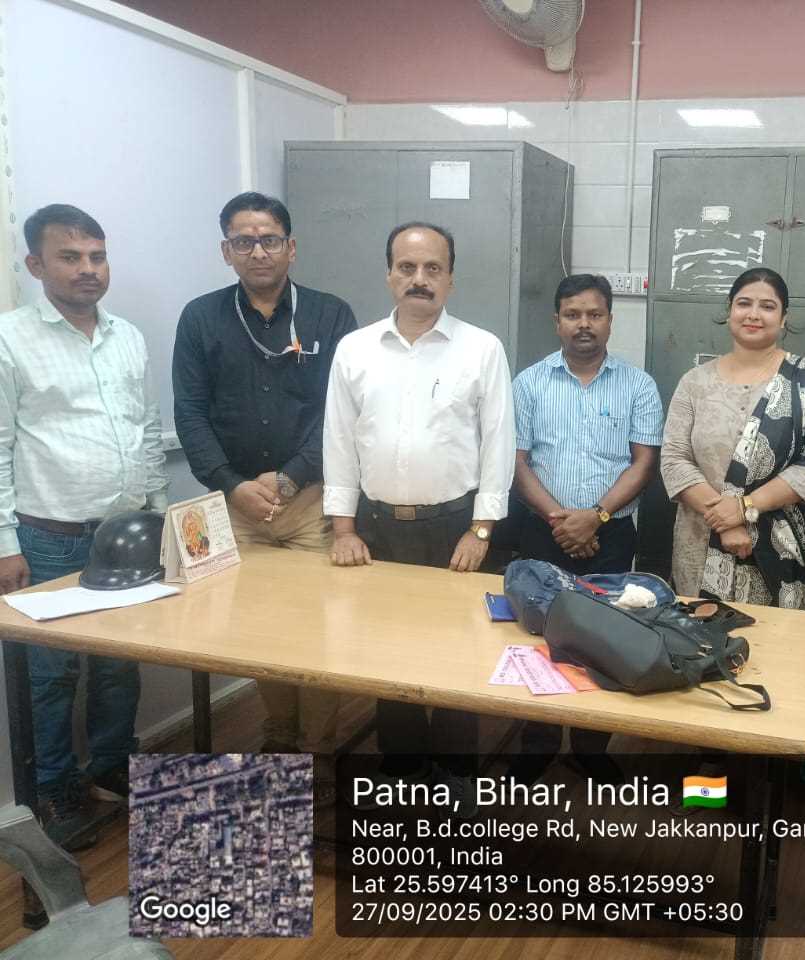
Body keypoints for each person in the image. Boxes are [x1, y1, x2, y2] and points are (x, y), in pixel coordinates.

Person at [173, 192, 358, 806]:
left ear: (291, 247)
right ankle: (279, 732)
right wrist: (231, 484)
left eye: (269, 239)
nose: (258, 251)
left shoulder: (330, 315)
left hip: (310, 502)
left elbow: (340, 412)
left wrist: (289, 479)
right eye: (244, 241)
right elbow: (190, 413)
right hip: (237, 507)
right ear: (226, 251)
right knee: (259, 630)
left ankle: (320, 747)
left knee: (320, 628)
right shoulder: (201, 318)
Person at [0, 205, 168, 847]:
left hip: (126, 532)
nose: (88, 269)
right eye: (70, 257)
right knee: (50, 674)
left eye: (97, 256)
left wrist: (159, 513)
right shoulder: (11, 339)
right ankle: (54, 790)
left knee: (121, 663)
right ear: (35, 264)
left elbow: (146, 427)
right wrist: (5, 543)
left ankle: (112, 766)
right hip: (48, 536)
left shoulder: (127, 336)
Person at [324, 221, 514, 785]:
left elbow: (498, 443)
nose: (419, 279)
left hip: (454, 529)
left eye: (433, 268)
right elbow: (338, 441)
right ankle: (401, 770)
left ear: (451, 278)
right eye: (406, 267)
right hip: (378, 530)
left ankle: (456, 775)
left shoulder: (482, 349)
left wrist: (481, 530)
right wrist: (343, 530)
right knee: (387, 654)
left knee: (458, 655)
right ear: (389, 275)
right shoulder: (354, 350)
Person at [660, 267, 805, 729]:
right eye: (744, 303)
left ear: (784, 318)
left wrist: (747, 508)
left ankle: (767, 756)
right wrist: (724, 518)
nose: (754, 314)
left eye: (767, 306)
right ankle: (706, 759)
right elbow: (673, 458)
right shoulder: (694, 382)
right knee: (701, 652)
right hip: (699, 541)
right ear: (729, 311)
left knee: (774, 657)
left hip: (779, 549)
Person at [508, 274, 663, 783]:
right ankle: (536, 743)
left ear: (610, 321)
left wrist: (593, 517)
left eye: (594, 315)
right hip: (542, 532)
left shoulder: (638, 386)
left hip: (610, 534)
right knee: (539, 635)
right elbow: (517, 463)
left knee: (604, 641)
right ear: (557, 322)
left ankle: (590, 746)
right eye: (573, 315)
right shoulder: (529, 383)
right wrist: (562, 521)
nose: (584, 324)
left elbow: (643, 464)